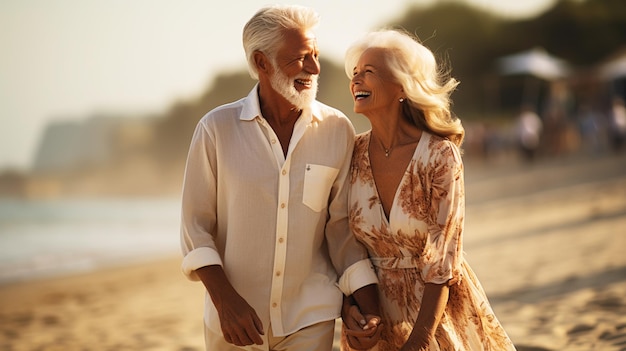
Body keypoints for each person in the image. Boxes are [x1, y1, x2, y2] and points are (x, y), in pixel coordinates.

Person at [179, 5, 380, 351]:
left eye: (315, 55)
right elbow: (195, 229)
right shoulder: (215, 130)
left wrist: (369, 306)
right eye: (300, 58)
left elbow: (341, 232)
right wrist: (225, 302)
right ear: (261, 62)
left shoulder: (337, 131)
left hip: (310, 315)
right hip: (234, 322)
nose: (314, 69)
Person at [340, 29, 517, 350]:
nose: (356, 81)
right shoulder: (350, 154)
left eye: (370, 72)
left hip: (434, 313)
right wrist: (349, 309)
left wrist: (421, 337)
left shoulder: (439, 155)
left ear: (403, 86)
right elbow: (342, 244)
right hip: (373, 318)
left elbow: (444, 255)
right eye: (354, 74)